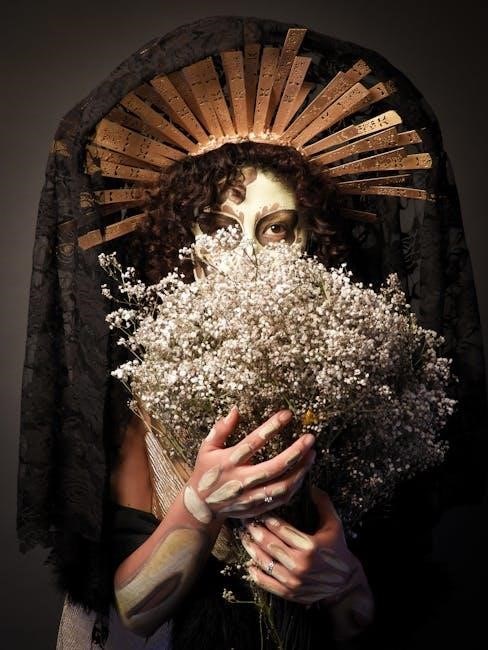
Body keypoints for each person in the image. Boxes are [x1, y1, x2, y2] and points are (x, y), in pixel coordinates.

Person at [18, 15, 487, 650]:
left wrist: (344, 580)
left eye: (274, 228)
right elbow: (134, 612)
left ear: (309, 240)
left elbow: (387, 612)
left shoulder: (374, 394)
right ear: (186, 245)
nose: (242, 253)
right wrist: (201, 506)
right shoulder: (143, 402)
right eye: (217, 227)